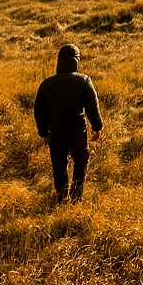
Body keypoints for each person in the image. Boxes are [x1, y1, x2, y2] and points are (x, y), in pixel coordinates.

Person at [33, 42, 103, 203]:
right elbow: (92, 106)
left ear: (59, 61)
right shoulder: (84, 81)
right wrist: (97, 127)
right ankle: (76, 198)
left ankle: (61, 198)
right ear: (76, 61)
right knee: (80, 163)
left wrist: (44, 133)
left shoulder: (46, 84)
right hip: (77, 133)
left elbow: (39, 112)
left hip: (55, 134)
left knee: (59, 167)